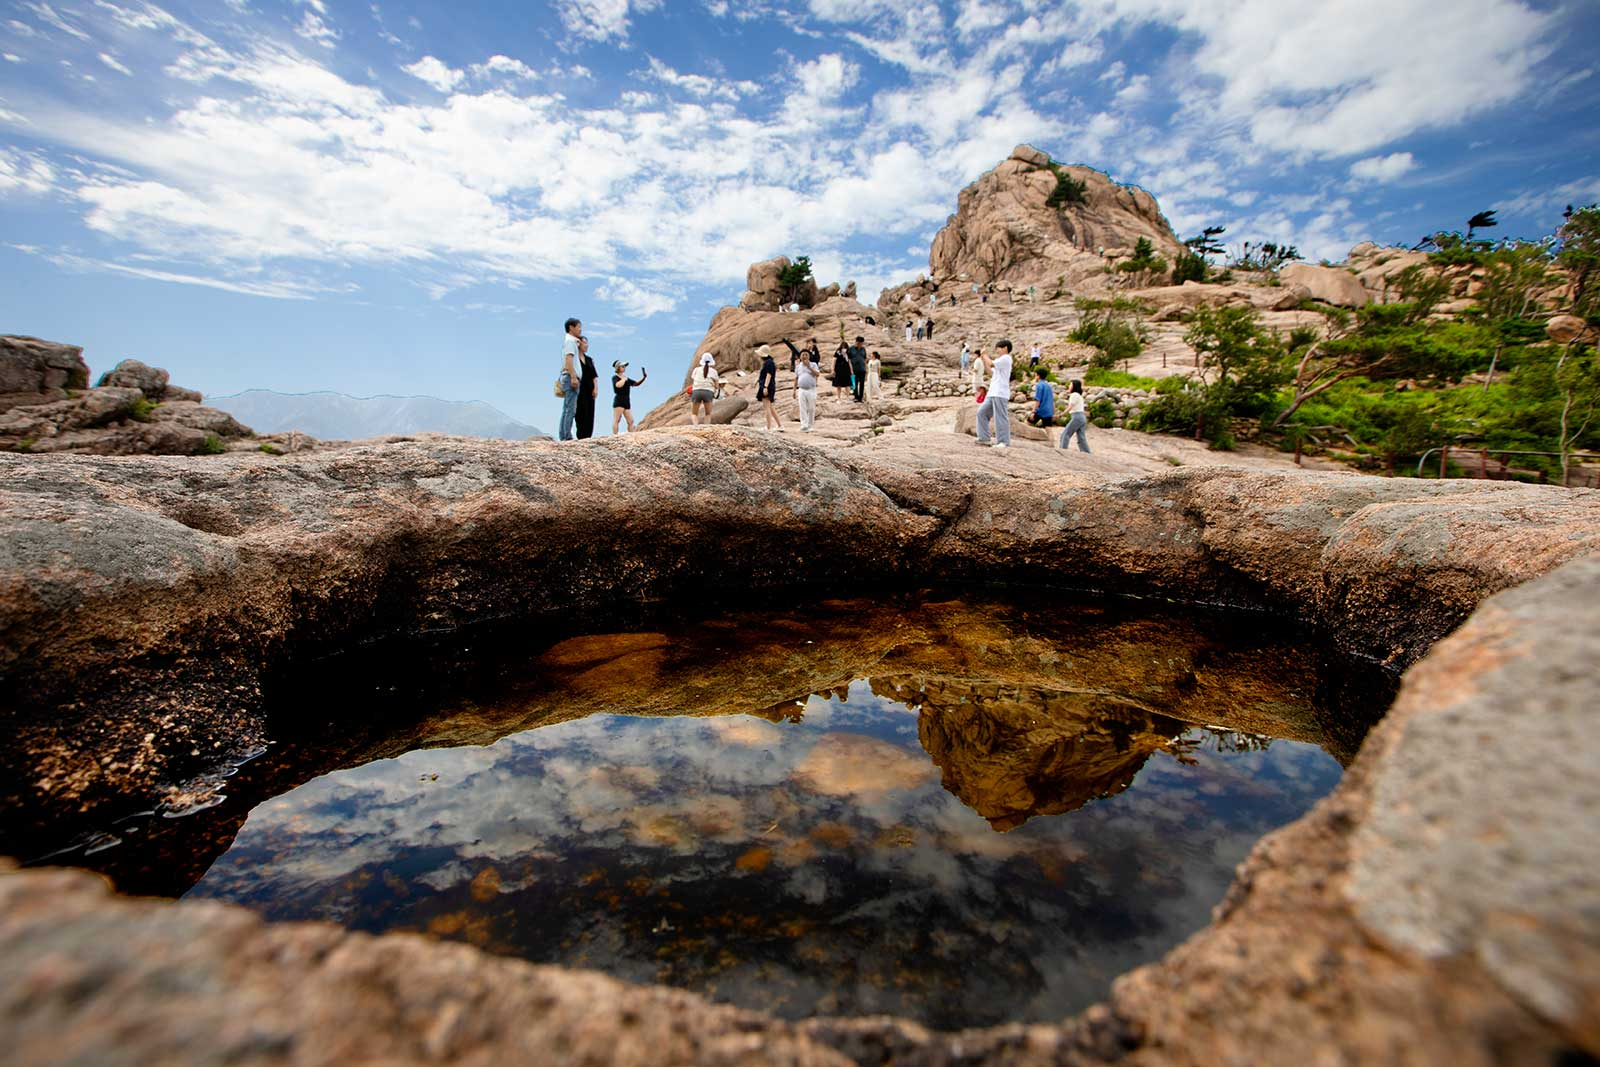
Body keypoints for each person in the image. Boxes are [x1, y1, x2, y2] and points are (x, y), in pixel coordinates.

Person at [976, 339, 1013, 449]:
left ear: (1005, 348)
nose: (997, 351)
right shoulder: (1000, 360)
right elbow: (990, 371)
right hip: (993, 392)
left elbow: (991, 363)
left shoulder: (1006, 358)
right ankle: (984, 438)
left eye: (999, 348)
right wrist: (983, 358)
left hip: (1000, 393)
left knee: (1000, 417)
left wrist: (985, 355)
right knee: (981, 413)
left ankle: (1004, 441)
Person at [787, 339, 820, 431]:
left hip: (811, 389)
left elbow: (817, 374)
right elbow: (796, 378)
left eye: (806, 355)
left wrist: (809, 367)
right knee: (802, 407)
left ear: (809, 356)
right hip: (801, 389)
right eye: (803, 355)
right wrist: (794, 390)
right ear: (800, 357)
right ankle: (804, 424)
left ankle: (810, 425)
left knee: (811, 408)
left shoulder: (813, 365)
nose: (804, 356)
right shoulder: (798, 367)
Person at [558, 317, 583, 441]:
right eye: (579, 327)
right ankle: (566, 436)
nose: (580, 330)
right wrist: (573, 377)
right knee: (570, 409)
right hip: (570, 378)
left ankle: (564, 434)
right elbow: (569, 359)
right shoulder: (570, 342)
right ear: (571, 327)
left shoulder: (571, 342)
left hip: (568, 376)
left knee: (567, 407)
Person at [611, 359, 647, 434]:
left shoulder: (626, 378)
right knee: (617, 419)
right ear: (618, 368)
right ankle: (615, 436)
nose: (624, 367)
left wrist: (643, 378)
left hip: (626, 401)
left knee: (631, 420)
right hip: (619, 401)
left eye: (624, 366)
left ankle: (631, 434)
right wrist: (623, 379)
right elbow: (617, 385)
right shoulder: (615, 377)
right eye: (622, 366)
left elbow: (636, 384)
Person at [574, 333, 599, 439]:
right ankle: (581, 437)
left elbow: (594, 376)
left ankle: (588, 437)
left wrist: (596, 388)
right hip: (579, 390)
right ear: (578, 344)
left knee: (590, 413)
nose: (587, 345)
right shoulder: (574, 359)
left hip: (590, 390)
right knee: (580, 413)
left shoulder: (589, 359)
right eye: (585, 343)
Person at [1060, 379, 1091, 452]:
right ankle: (1086, 452)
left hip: (1076, 416)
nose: (1069, 386)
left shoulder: (1074, 395)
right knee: (1081, 437)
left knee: (1066, 434)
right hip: (1082, 417)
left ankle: (1063, 450)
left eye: (1070, 385)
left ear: (1074, 386)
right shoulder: (1079, 395)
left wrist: (1062, 414)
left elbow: (1070, 406)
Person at [689, 352, 719, 425]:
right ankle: (706, 426)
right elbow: (717, 386)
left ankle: (696, 427)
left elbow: (693, 379)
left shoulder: (696, 370)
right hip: (708, 392)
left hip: (696, 391)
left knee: (694, 414)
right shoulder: (714, 371)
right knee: (708, 413)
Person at [756, 344, 781, 431]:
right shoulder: (769, 362)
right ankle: (779, 425)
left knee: (767, 407)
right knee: (770, 407)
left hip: (767, 386)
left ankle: (768, 427)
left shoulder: (768, 363)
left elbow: (769, 375)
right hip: (768, 385)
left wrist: (765, 387)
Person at [848, 335, 868, 402]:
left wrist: (866, 368)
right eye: (858, 343)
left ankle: (860, 398)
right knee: (854, 384)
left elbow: (865, 359)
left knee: (862, 384)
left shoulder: (863, 349)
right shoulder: (851, 349)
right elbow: (849, 360)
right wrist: (850, 370)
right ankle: (856, 397)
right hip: (854, 369)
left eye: (861, 343)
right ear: (856, 342)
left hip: (862, 369)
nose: (859, 344)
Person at [864, 350, 882, 416]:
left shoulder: (877, 361)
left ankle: (880, 398)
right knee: (869, 386)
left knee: (875, 386)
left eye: (871, 354)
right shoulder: (870, 361)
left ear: (874, 355)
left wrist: (879, 376)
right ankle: (869, 398)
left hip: (875, 374)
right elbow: (868, 368)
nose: (870, 355)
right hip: (870, 374)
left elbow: (879, 369)